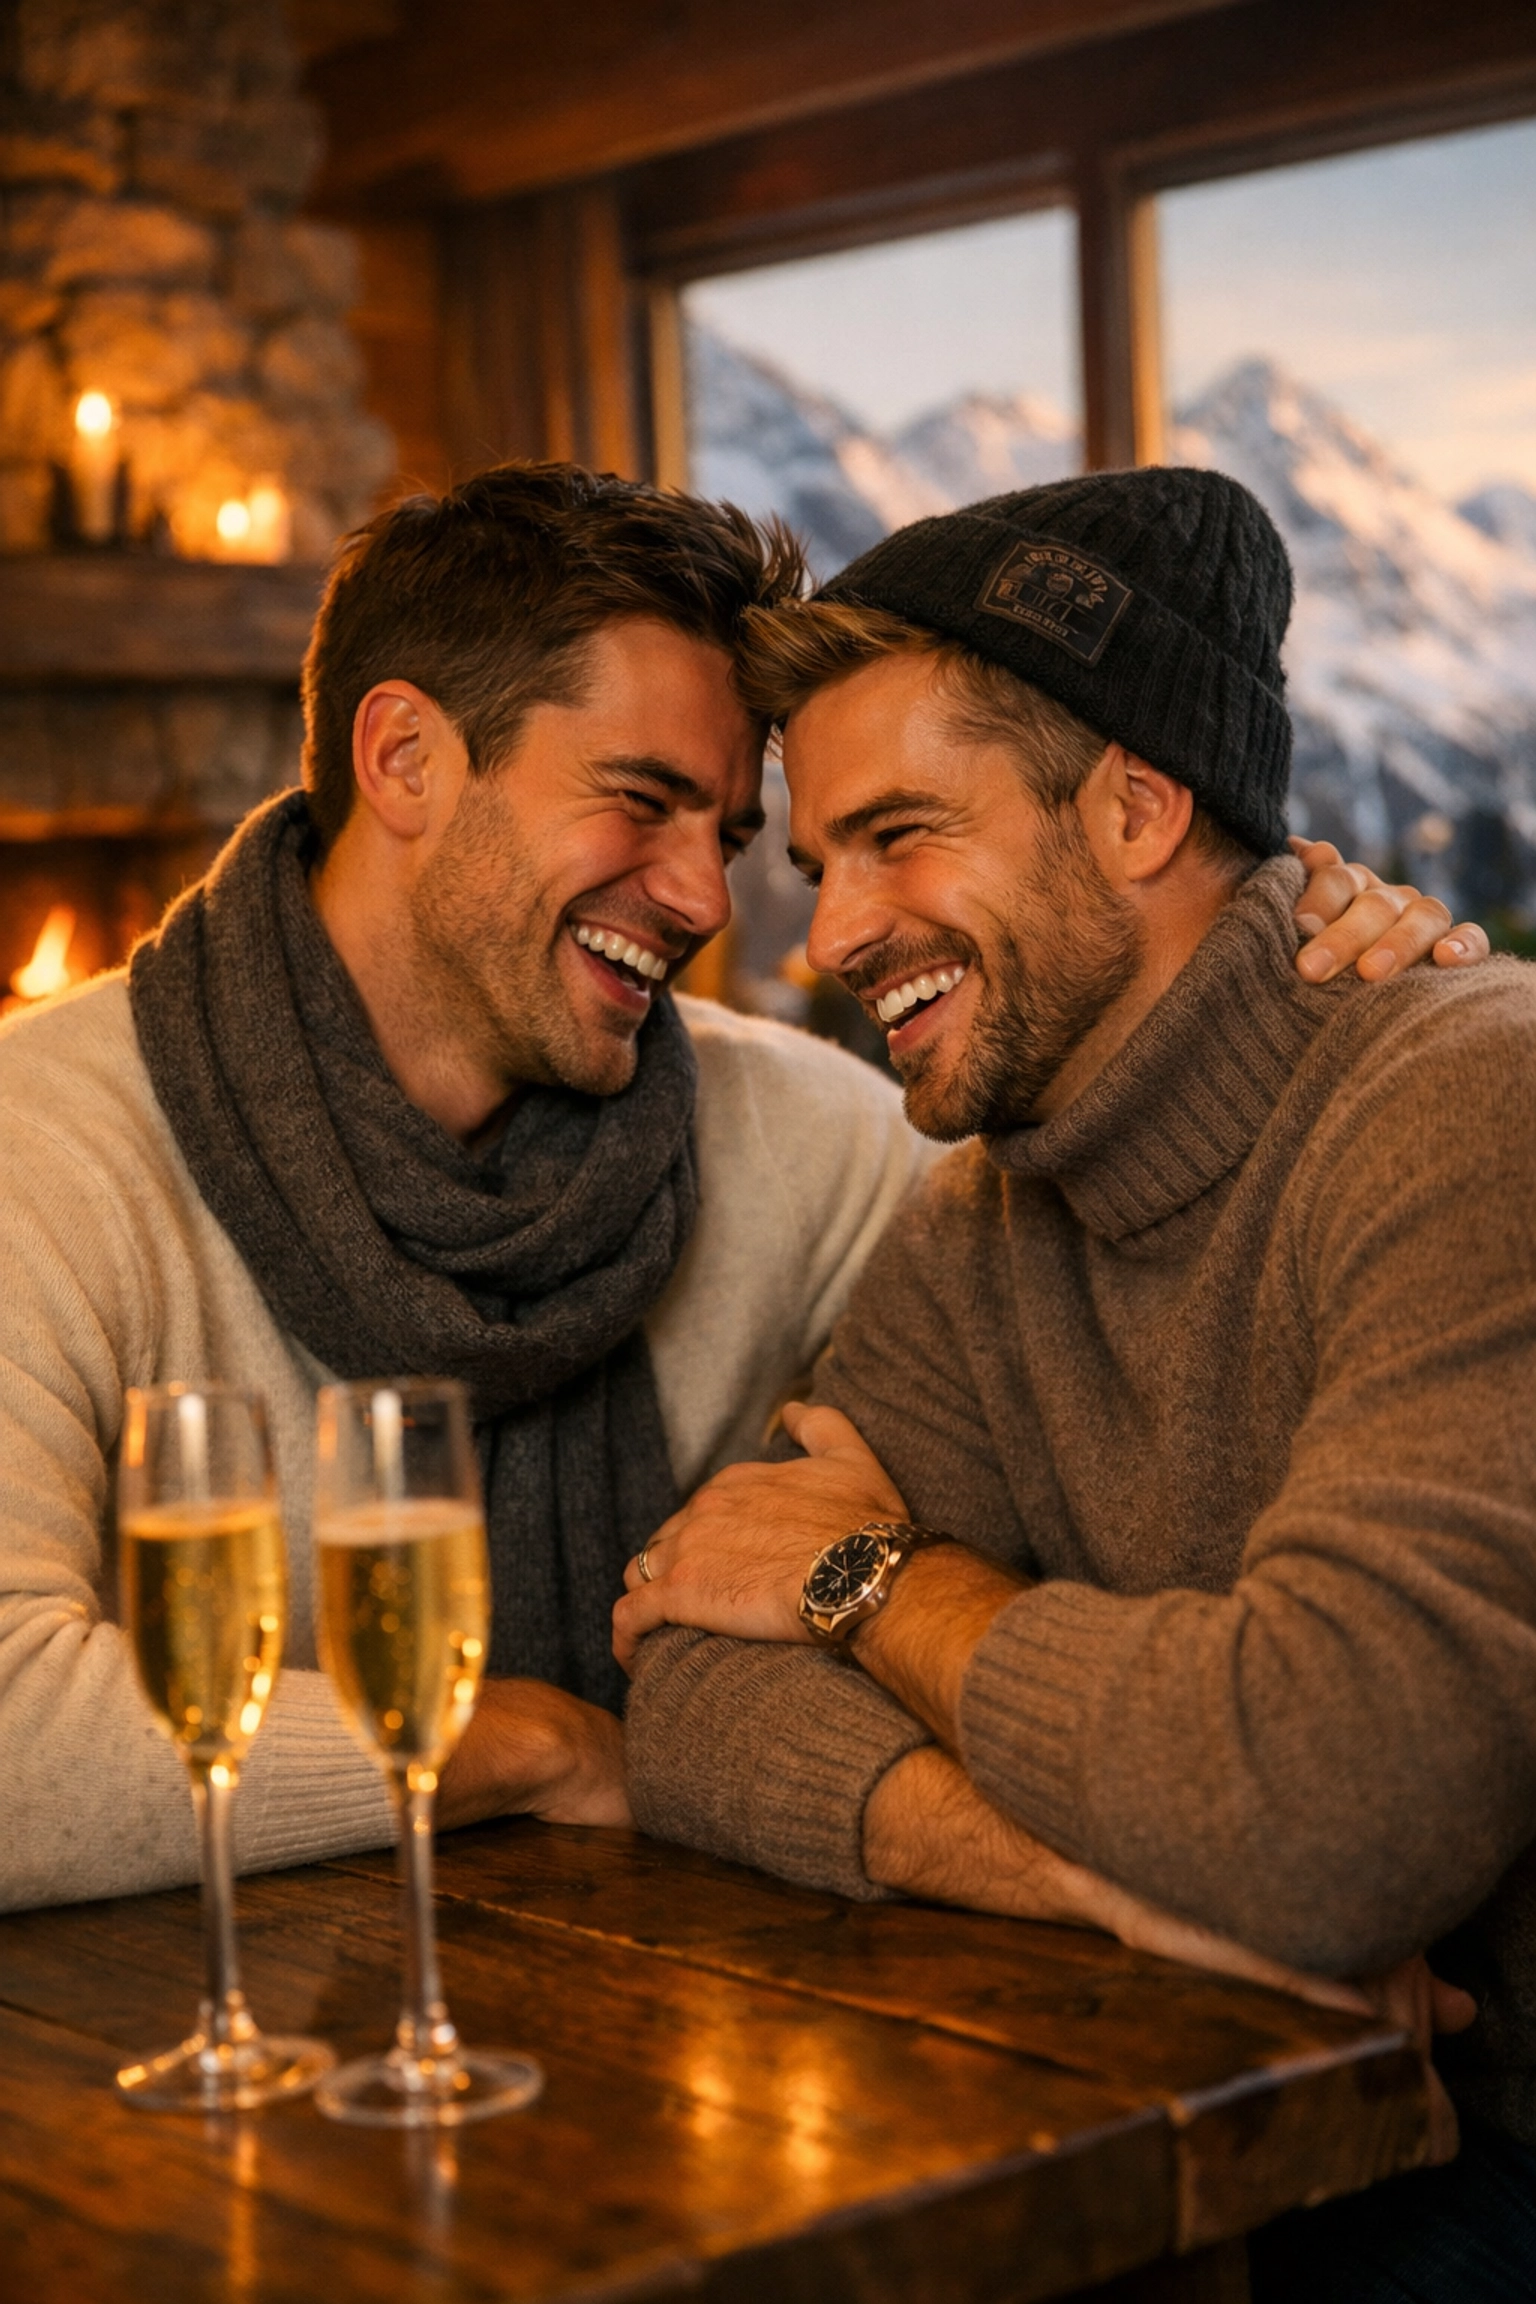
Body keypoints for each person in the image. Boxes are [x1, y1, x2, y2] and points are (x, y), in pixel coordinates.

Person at [0, 462, 1459, 1917]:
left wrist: (1272, 941)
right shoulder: (47, 1151)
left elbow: (1137, 1165)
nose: (706, 902)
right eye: (642, 802)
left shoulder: (811, 1146)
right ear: (404, 761)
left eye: (732, 836)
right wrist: (524, 1743)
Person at [611, 468, 1536, 2300]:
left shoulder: (1461, 1108)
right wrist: (1108, 1881)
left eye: (898, 837)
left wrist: (871, 1586)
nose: (826, 942)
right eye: (822, 865)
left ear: (1133, 805)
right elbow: (693, 1701)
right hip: (1258, 2123)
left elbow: (1326, 1802)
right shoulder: (987, 1216)